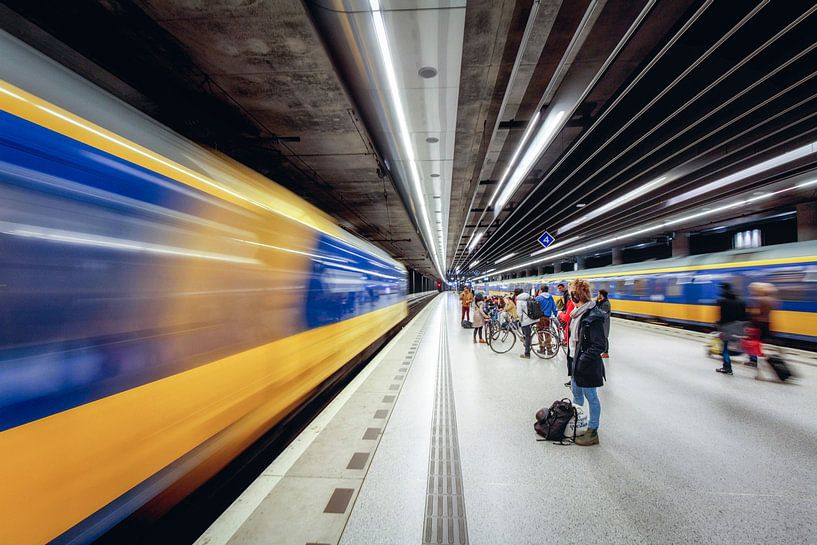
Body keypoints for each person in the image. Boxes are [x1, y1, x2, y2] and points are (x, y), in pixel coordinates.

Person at [567, 278, 607, 446]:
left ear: (577, 296)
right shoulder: (577, 313)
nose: (570, 297)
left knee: (591, 396)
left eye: (571, 294)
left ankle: (593, 431)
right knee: (576, 394)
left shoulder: (593, 315)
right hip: (575, 361)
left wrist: (583, 359)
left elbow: (600, 345)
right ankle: (579, 423)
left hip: (586, 364)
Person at [715, 283, 746, 375]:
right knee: (737, 344)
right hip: (739, 327)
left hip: (727, 327)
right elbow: (744, 316)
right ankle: (752, 359)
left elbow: (723, 317)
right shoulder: (741, 301)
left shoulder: (723, 301)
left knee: (725, 348)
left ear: (724, 290)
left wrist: (719, 327)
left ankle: (727, 367)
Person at [558, 282, 576, 386]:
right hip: (573, 333)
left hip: (571, 332)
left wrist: (561, 315)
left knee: (572, 357)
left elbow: (567, 317)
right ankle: (574, 380)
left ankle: (573, 381)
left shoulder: (571, 302)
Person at [535, 285, 558, 355]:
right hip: (547, 318)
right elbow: (554, 307)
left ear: (541, 290)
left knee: (540, 333)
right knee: (547, 333)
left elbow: (535, 308)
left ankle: (542, 349)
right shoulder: (551, 297)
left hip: (540, 318)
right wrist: (555, 314)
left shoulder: (538, 298)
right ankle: (549, 350)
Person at [516, 291, 538, 359]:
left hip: (525, 321)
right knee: (528, 335)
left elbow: (519, 313)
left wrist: (519, 319)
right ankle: (528, 346)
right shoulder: (530, 298)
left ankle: (527, 353)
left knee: (527, 336)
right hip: (533, 319)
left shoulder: (519, 301)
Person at [596, 289, 612, 358]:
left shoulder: (606, 304)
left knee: (605, 337)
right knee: (602, 337)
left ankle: (606, 352)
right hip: (601, 322)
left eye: (598, 294)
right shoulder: (602, 302)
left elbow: (603, 314)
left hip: (604, 323)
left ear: (601, 295)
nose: (597, 295)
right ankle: (603, 351)